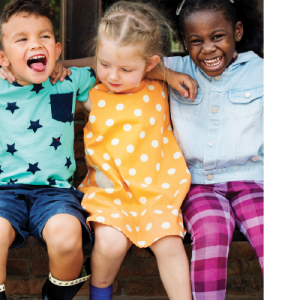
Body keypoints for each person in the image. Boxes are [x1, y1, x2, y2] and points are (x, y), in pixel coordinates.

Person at [0, 1, 97, 299]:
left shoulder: (69, 80)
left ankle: (54, 294)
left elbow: (111, 62)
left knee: (66, 238)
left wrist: (69, 65)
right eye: (22, 39)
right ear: (3, 57)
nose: (35, 44)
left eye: (44, 37)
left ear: (58, 48)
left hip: (56, 192)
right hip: (4, 191)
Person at [76, 2, 192, 299]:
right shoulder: (92, 94)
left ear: (150, 64)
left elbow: (165, 71)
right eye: (104, 64)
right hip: (110, 194)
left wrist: (166, 75)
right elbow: (68, 68)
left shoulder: (158, 87)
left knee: (170, 244)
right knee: (110, 244)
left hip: (156, 192)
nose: (113, 76)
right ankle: (99, 294)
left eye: (126, 69)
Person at [158, 1, 264, 299]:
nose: (207, 48)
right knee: (211, 232)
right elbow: (120, 60)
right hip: (199, 185)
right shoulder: (175, 68)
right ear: (184, 42)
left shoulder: (259, 71)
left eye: (217, 37)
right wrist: (167, 76)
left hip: (253, 181)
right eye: (196, 41)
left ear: (238, 31)